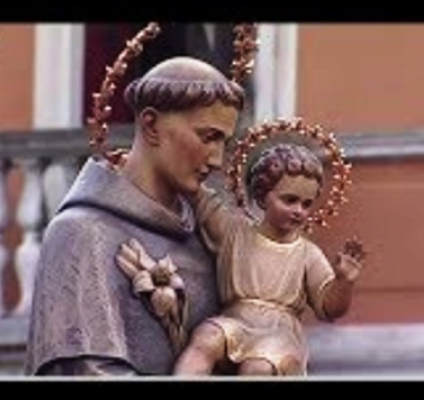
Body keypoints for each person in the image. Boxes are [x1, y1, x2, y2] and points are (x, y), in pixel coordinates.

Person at [23, 55, 246, 376]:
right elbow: (89, 372)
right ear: (151, 125)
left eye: (224, 141)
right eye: (208, 137)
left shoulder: (205, 237)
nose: (217, 160)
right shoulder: (82, 234)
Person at [117, 141, 366, 376]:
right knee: (206, 336)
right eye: (289, 200)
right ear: (262, 197)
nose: (299, 210)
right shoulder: (233, 231)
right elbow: (197, 194)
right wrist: (140, 162)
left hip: (279, 335)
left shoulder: (307, 253)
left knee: (257, 368)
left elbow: (329, 308)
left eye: (307, 204)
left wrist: (344, 281)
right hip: (234, 322)